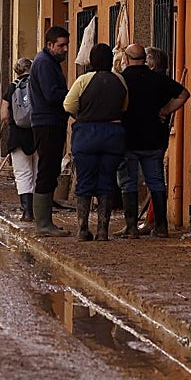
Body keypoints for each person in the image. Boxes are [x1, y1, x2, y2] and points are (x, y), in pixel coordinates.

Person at [117, 43, 189, 237]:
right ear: (144, 59)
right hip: (155, 138)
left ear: (126, 59)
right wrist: (165, 110)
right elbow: (184, 94)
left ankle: (131, 227)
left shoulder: (122, 81)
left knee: (129, 183)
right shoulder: (158, 79)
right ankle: (161, 226)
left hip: (128, 139)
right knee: (156, 182)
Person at [63, 43, 128, 241]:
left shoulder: (83, 80)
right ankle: (102, 230)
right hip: (113, 135)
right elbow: (125, 107)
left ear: (91, 60)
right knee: (107, 182)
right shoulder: (120, 81)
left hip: (86, 135)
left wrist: (84, 114)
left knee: (84, 181)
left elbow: (68, 105)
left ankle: (82, 229)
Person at [29, 25, 71, 236]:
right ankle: (43, 224)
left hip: (51, 122)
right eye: (61, 45)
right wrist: (72, 97)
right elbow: (51, 94)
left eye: (66, 45)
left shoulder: (49, 62)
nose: (65, 50)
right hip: (47, 123)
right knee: (47, 170)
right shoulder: (45, 63)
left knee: (50, 170)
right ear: (50, 45)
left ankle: (45, 222)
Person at [1, 57, 38, 221]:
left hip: (18, 137)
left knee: (23, 174)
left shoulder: (12, 87)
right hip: (38, 134)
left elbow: (4, 115)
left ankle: (27, 212)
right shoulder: (38, 85)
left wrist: (12, 123)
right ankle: (40, 212)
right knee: (38, 173)